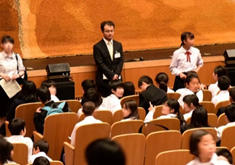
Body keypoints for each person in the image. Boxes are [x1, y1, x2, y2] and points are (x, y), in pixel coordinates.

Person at [93, 21, 124, 97]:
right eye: (107, 31)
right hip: (104, 81)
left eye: (112, 31)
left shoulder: (118, 45)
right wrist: (111, 75)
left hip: (117, 80)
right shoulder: (97, 47)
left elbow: (121, 60)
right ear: (102, 32)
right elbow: (100, 63)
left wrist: (116, 74)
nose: (110, 33)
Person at [0, 35, 25, 119]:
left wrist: (17, 75)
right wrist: (3, 75)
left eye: (10, 43)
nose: (8, 45)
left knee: (14, 105)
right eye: (6, 43)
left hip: (14, 84)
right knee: (4, 108)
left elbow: (22, 70)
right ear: (2, 45)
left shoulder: (17, 56)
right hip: (3, 86)